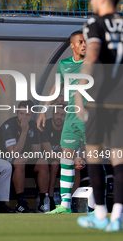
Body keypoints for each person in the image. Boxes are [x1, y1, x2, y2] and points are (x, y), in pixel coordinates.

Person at [75, 0, 123, 232]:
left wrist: (79, 92)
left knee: (93, 154)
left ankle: (101, 214)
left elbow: (92, 56)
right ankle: (118, 216)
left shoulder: (95, 24)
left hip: (99, 101)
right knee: (119, 159)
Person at [37, 31, 87, 214]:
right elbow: (56, 88)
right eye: (80, 42)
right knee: (66, 158)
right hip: (72, 118)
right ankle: (65, 206)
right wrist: (43, 110)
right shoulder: (64, 64)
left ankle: (101, 204)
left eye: (86, 42)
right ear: (72, 45)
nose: (84, 45)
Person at [0, 100, 49, 213]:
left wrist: (27, 156)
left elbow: (37, 151)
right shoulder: (9, 125)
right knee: (19, 161)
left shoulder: (34, 125)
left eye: (27, 115)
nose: (24, 117)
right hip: (6, 160)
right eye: (21, 113)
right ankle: (21, 203)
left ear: (32, 115)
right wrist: (24, 131)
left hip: (25, 159)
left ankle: (43, 202)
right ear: (17, 113)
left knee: (42, 162)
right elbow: (14, 152)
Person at [40, 104, 66, 210]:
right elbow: (49, 153)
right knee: (53, 164)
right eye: (57, 114)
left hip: (59, 158)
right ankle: (48, 198)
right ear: (52, 114)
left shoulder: (67, 128)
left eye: (62, 115)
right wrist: (69, 159)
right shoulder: (45, 126)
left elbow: (67, 150)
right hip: (42, 158)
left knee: (76, 165)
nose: (59, 117)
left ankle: (71, 201)